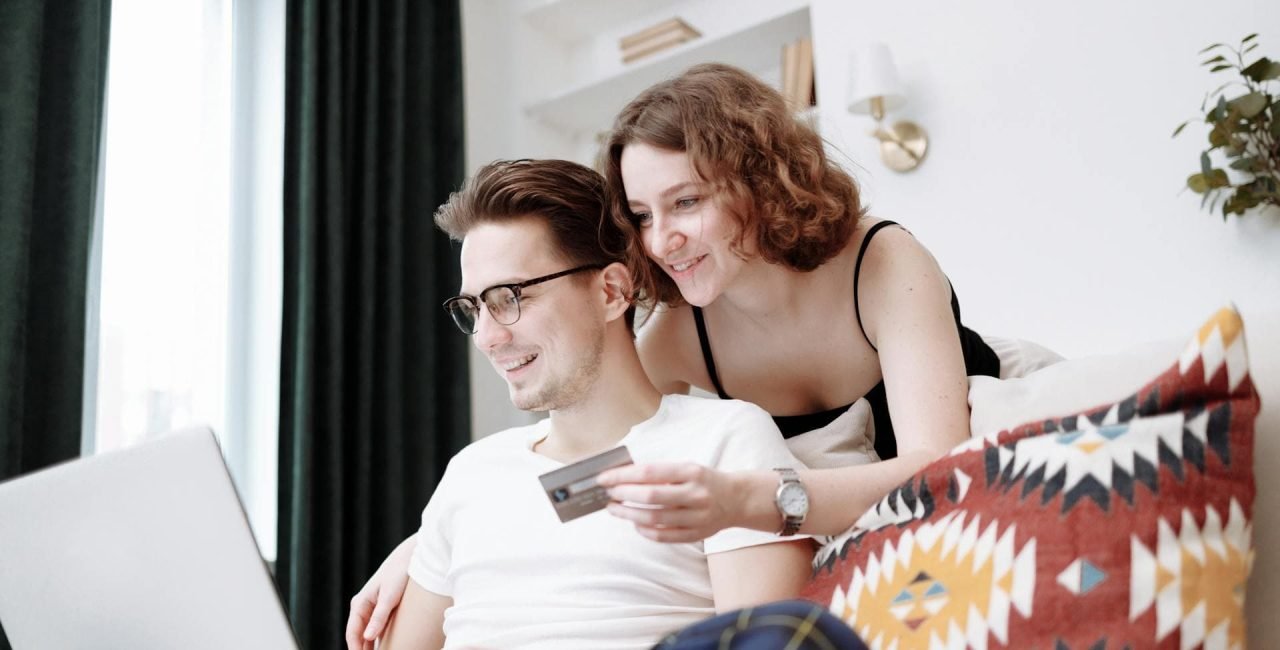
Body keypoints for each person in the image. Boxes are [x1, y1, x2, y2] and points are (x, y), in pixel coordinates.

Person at [348, 63, 1000, 644]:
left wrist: (752, 500)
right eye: (642, 216)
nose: (662, 242)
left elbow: (937, 472)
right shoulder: (683, 325)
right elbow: (608, 452)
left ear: (761, 181)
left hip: (922, 446)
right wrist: (434, 537)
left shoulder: (883, 264)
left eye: (685, 202)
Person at [373, 158, 813, 650]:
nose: (487, 337)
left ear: (611, 291)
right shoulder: (471, 472)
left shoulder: (723, 442)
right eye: (474, 308)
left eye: (508, 297)